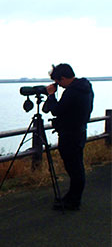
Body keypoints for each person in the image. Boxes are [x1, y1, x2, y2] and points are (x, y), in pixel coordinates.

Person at [44, 63, 94, 211]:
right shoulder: (85, 88)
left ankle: (73, 201)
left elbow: (57, 111)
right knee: (77, 167)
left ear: (64, 78)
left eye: (58, 82)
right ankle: (72, 197)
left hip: (70, 134)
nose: (59, 85)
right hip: (80, 131)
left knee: (74, 168)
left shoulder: (72, 92)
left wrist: (51, 96)